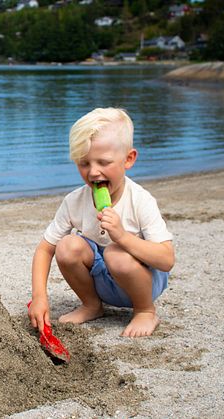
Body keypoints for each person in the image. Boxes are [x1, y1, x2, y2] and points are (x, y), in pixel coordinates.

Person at [28, 108, 174, 337]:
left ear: (128, 159)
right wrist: (39, 297)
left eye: (103, 162)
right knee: (67, 245)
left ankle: (145, 311)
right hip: (102, 282)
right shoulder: (75, 201)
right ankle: (92, 305)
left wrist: (123, 237)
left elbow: (166, 260)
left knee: (115, 252)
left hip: (142, 282)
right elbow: (45, 250)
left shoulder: (140, 199)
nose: (93, 172)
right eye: (84, 163)